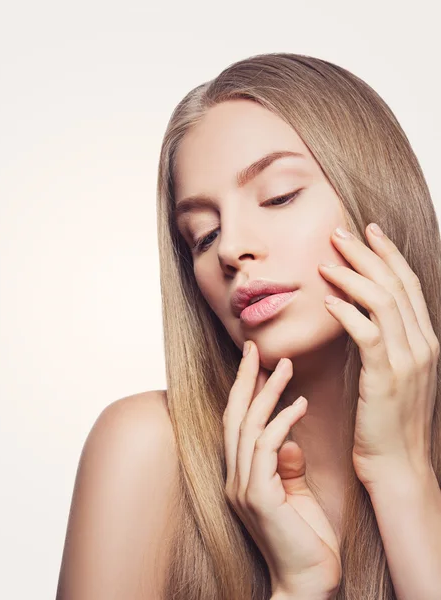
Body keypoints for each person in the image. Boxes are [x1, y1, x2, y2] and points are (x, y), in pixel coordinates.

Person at [56, 53, 441, 599]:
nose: (233, 248)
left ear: (377, 198)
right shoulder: (147, 450)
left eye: (279, 196)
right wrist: (299, 587)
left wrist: (404, 480)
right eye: (203, 235)